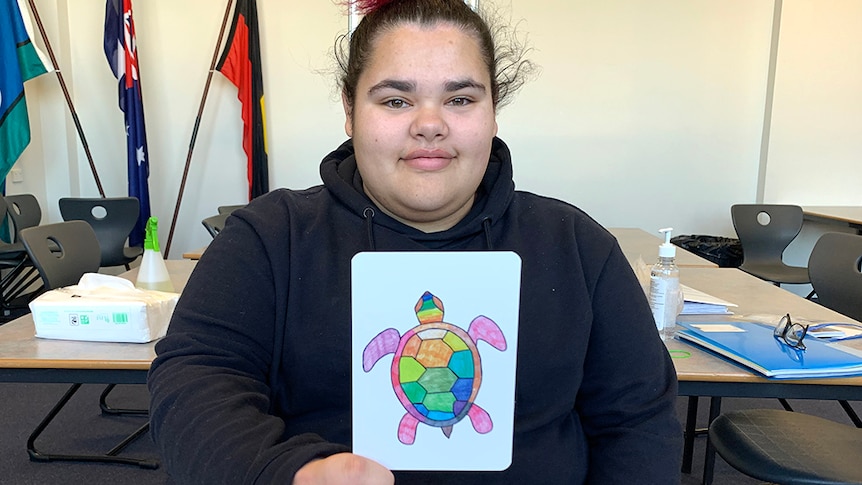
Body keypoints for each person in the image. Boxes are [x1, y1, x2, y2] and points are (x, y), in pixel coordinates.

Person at [147, 0, 683, 483]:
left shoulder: (578, 247)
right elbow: (196, 381)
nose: (430, 124)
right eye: (397, 101)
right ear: (350, 109)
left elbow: (637, 421)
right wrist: (287, 473)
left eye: (461, 98)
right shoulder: (270, 236)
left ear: (493, 110)